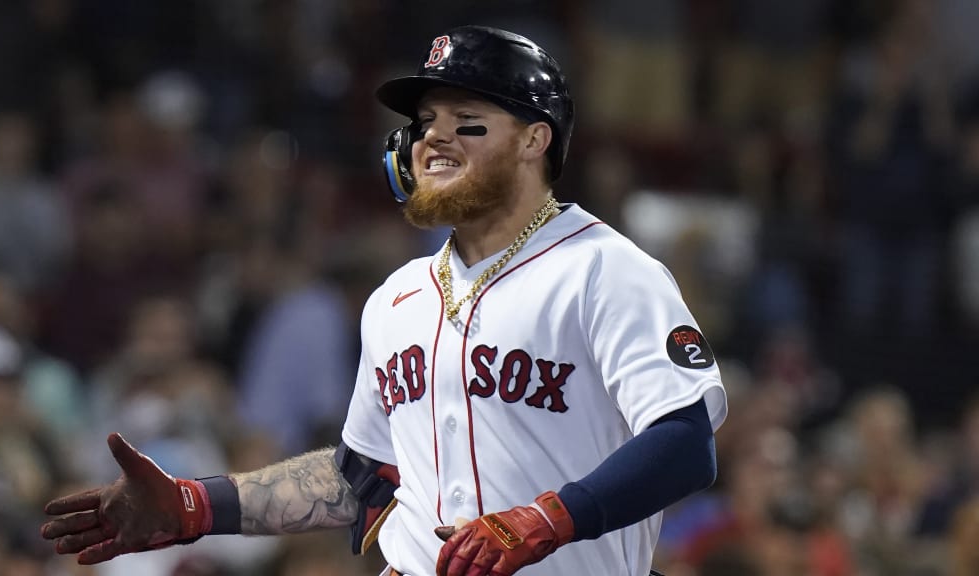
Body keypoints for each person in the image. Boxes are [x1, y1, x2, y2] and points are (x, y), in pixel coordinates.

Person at [40, 25, 728, 576]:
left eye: (468, 118)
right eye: (427, 120)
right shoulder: (396, 299)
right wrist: (196, 505)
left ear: (533, 140)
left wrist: (548, 518)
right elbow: (360, 479)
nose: (434, 136)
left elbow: (683, 443)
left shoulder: (604, 271)